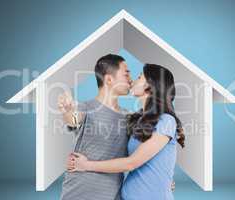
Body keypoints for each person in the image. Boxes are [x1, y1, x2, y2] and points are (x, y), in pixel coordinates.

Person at [68, 64, 185, 200]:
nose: (132, 81)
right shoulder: (138, 120)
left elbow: (132, 163)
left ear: (151, 85)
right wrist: (69, 112)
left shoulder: (166, 121)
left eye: (139, 77)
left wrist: (85, 165)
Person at [58, 54, 132, 200]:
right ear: (109, 79)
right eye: (126, 74)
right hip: (79, 193)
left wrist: (161, 180)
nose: (131, 78)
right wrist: (68, 111)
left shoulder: (129, 117)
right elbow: (73, 120)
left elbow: (139, 154)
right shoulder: (85, 108)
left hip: (112, 195)